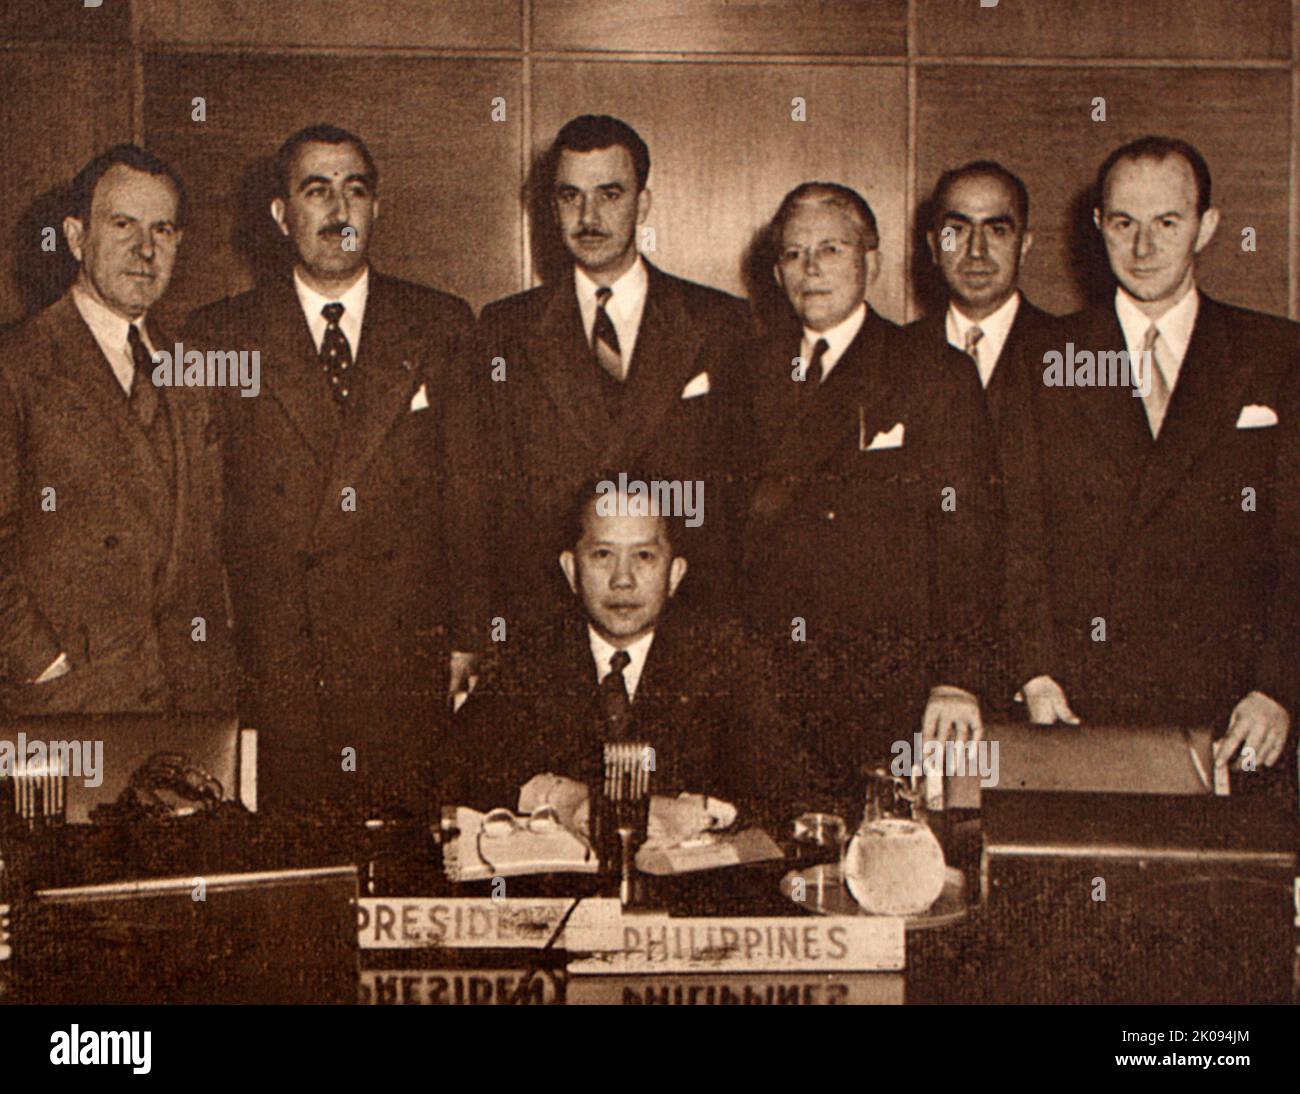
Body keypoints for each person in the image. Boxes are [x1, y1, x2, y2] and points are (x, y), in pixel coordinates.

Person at [184, 124, 489, 817]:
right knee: (290, 872)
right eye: (316, 191)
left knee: (403, 863)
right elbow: (198, 513)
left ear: (377, 209)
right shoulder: (219, 335)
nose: (339, 210)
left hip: (403, 659)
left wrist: (470, 637)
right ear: (279, 214)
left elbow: (470, 494)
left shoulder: (441, 324)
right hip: (277, 658)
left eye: (356, 190)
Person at [1024, 136, 1298, 784]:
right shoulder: (1045, 358)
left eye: (1166, 223)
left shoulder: (1277, 356)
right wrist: (1031, 669)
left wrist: (1279, 686)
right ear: (1097, 227)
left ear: (1207, 227)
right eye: (1124, 223)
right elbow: (1019, 534)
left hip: (1237, 712)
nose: (1143, 249)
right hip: (1078, 706)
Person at [739, 182, 997, 801]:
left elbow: (971, 539)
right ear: (776, 273)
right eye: (794, 255)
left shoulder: (932, 371)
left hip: (889, 689)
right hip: (767, 688)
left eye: (829, 249)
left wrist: (957, 678)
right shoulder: (746, 372)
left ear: (870, 262)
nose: (810, 269)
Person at [477, 115, 752, 631]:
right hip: (548, 622)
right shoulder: (505, 329)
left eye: (609, 194)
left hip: (692, 621)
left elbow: (736, 494)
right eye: (569, 196)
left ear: (642, 204)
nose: (588, 216)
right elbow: (491, 499)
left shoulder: (721, 323)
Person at [0, 144, 233, 716]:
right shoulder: (18, 363)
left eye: (163, 229)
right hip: (69, 700)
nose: (145, 249)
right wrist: (37, 658)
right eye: (122, 224)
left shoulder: (191, 365)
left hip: (189, 696)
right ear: (77, 237)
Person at [443, 479, 786, 815]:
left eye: (644, 556)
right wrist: (565, 799)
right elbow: (455, 774)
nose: (623, 579)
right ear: (571, 570)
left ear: (675, 574)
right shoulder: (527, 659)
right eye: (603, 554)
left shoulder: (727, 663)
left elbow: (779, 793)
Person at [904, 161, 1060, 713]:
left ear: (1027, 243)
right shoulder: (888, 361)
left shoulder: (1074, 358)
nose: (975, 251)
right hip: (923, 681)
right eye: (957, 229)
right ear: (931, 243)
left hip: (1047, 679)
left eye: (997, 229)